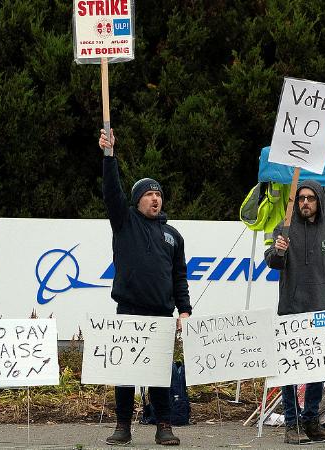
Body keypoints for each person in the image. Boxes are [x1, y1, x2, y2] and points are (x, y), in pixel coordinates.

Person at [99, 129, 192, 446]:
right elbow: (112, 192)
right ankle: (122, 426)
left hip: (162, 314)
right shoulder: (124, 222)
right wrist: (109, 155)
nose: (156, 198)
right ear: (137, 200)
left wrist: (185, 310)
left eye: (159, 194)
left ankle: (164, 425)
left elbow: (179, 275)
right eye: (149, 194)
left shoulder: (173, 236)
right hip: (129, 310)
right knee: (124, 372)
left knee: (159, 377)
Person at [264, 180, 325, 445]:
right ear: (296, 202)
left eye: (310, 198)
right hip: (291, 308)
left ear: (319, 200)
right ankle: (291, 423)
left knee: (316, 371)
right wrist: (278, 250)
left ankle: (311, 421)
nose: (305, 203)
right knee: (289, 372)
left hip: (320, 310)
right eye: (301, 199)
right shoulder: (284, 228)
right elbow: (273, 262)